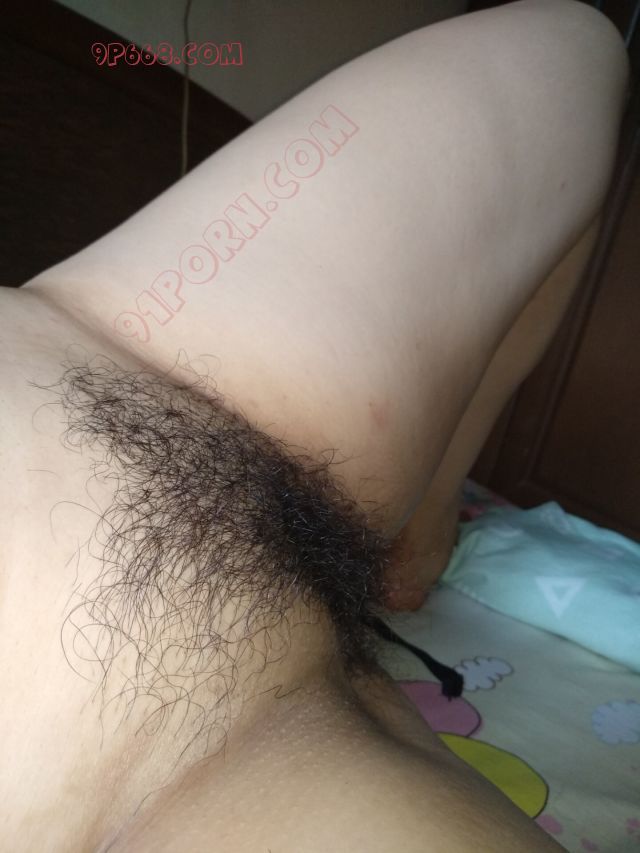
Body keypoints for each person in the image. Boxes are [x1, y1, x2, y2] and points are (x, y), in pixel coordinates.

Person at [1, 0, 630, 850]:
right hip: (126, 772)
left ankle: (426, 524)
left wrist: (436, 496)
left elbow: (575, 58)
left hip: (123, 356)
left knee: (576, 47)